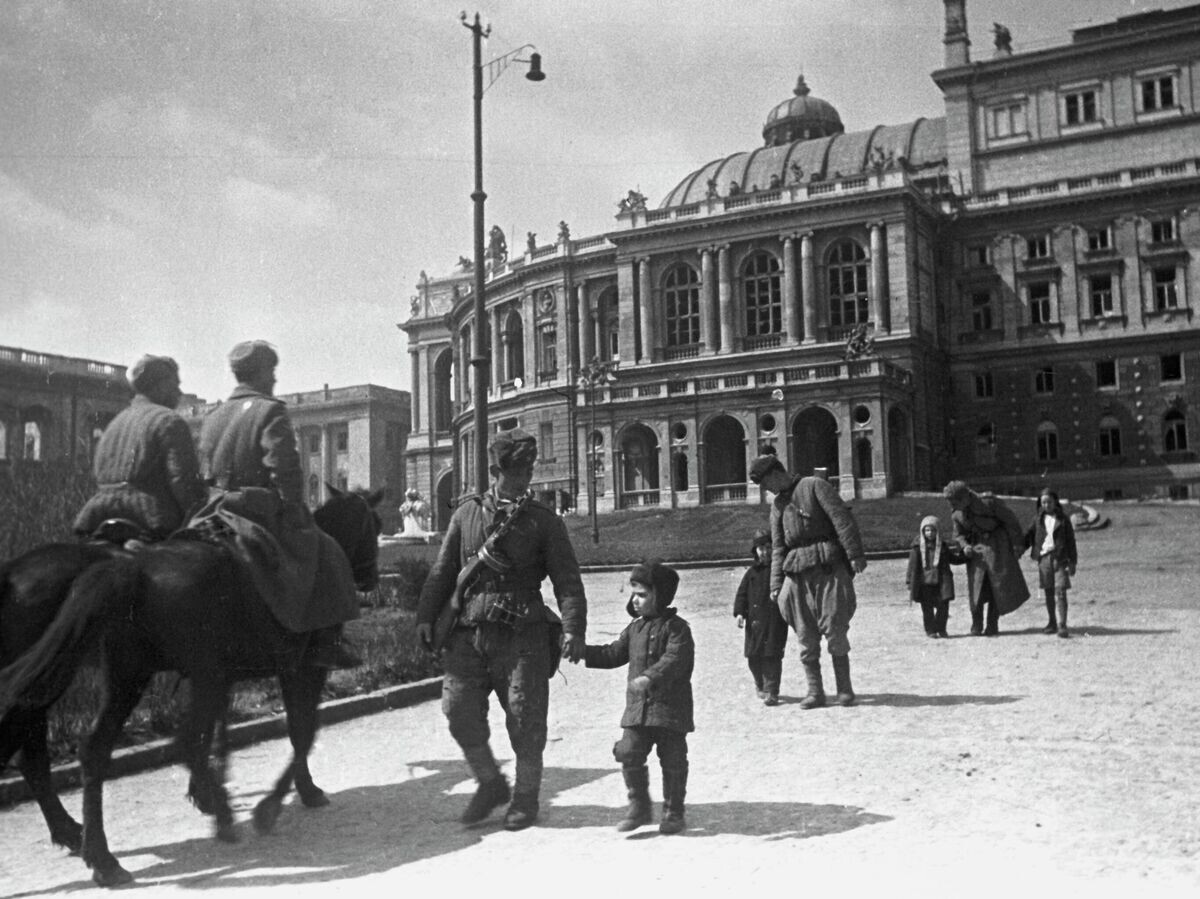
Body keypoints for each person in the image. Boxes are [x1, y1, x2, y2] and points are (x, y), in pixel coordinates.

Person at [415, 423, 587, 831]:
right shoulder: (467, 514)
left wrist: (573, 629)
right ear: (496, 471)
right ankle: (490, 783)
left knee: (526, 718)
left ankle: (525, 798)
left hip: (522, 633)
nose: (526, 477)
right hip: (468, 631)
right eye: (518, 470)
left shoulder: (543, 521)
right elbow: (443, 571)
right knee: (458, 709)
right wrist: (425, 616)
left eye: (529, 469)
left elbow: (567, 580)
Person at [197, 340, 361, 669]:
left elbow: (203, 469)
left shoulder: (214, 416)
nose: (273, 378)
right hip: (254, 508)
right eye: (270, 371)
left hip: (213, 509)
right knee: (325, 550)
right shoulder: (269, 410)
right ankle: (326, 643)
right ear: (259, 373)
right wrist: (294, 509)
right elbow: (284, 468)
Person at [749, 454, 867, 709]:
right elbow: (778, 547)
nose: (766, 489)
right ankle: (815, 691)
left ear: (775, 473)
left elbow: (842, 519)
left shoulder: (814, 486)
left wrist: (854, 554)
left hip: (828, 570)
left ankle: (844, 689)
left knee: (835, 628)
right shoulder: (777, 506)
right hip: (797, 576)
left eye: (766, 483)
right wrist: (775, 584)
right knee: (805, 635)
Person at [584, 560, 693, 835]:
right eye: (633, 594)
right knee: (628, 751)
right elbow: (612, 653)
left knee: (673, 760)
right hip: (638, 711)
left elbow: (675, 659)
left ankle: (673, 811)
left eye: (642, 594)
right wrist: (582, 652)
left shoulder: (677, 628)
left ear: (661, 596)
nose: (635, 600)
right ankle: (639, 805)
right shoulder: (634, 629)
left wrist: (650, 677)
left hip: (669, 710)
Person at [74, 355, 206, 541]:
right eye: (174, 385)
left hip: (99, 514)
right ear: (160, 386)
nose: (179, 392)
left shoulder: (116, 423)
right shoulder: (170, 421)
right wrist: (201, 512)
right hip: (151, 516)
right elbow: (183, 482)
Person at [942, 481, 1030, 636]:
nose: (952, 506)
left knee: (998, 586)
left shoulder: (989, 502)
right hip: (977, 551)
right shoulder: (957, 513)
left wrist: (1017, 545)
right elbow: (958, 534)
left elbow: (1011, 521)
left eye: (954, 502)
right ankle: (976, 624)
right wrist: (964, 546)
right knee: (976, 589)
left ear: (965, 498)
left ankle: (992, 624)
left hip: (998, 548)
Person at [733, 529, 787, 705]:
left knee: (772, 656)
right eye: (761, 548)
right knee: (753, 657)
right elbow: (741, 594)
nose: (765, 552)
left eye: (769, 547)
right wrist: (740, 613)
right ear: (755, 551)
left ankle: (772, 691)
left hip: (774, 621)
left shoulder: (780, 572)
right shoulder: (751, 573)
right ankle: (760, 684)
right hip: (754, 623)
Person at [1024, 488, 1078, 638]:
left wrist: (1073, 561)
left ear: (1055, 502)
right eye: (1043, 502)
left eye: (1049, 502)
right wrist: (1017, 549)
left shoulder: (1063, 520)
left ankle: (1062, 624)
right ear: (1040, 504)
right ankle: (1052, 622)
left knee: (1060, 591)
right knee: (1048, 592)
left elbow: (1071, 541)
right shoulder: (1037, 520)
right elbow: (1028, 537)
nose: (1047, 505)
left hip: (1060, 559)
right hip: (1044, 560)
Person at [905, 515, 965, 638]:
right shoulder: (917, 548)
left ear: (938, 531)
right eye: (927, 530)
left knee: (943, 607)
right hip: (925, 584)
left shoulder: (942, 547)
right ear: (922, 531)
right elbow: (912, 566)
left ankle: (941, 628)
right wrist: (909, 581)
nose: (930, 533)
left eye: (933, 530)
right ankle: (930, 630)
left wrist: (965, 556)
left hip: (941, 583)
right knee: (927, 609)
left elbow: (953, 559)